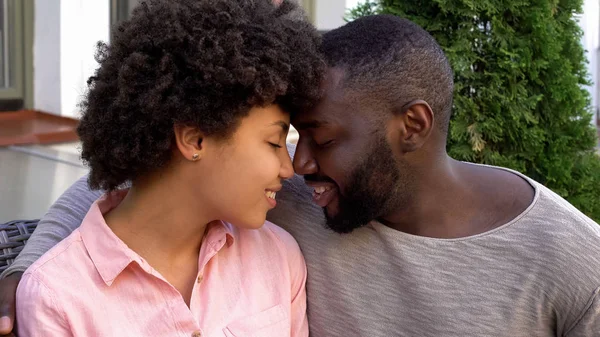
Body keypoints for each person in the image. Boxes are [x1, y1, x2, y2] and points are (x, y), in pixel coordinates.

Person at [2, 14, 600, 337]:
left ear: (411, 125)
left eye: (323, 138)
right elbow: (133, 187)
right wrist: (27, 278)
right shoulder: (280, 204)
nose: (300, 164)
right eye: (286, 139)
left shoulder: (570, 262)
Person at [7, 0, 324, 336]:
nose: (289, 169)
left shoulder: (279, 257)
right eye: (275, 142)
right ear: (195, 139)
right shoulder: (58, 299)